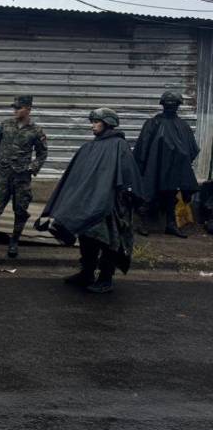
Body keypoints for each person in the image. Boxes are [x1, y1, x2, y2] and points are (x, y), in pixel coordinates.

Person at [36, 108, 144, 294]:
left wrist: (124, 199)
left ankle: (105, 277)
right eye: (92, 121)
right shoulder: (89, 147)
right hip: (87, 203)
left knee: (108, 240)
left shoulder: (119, 146)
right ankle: (86, 273)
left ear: (107, 123)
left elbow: (127, 176)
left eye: (96, 122)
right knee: (87, 237)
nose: (92, 125)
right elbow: (76, 177)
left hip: (109, 205)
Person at [0, 95, 48, 258]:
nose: (15, 110)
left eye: (19, 108)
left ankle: (14, 242)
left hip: (22, 177)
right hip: (2, 175)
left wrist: (32, 168)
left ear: (28, 109)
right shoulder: (4, 125)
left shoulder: (36, 130)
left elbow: (42, 153)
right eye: (14, 107)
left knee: (20, 210)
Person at [133, 91, 199, 238]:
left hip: (174, 170)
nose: (171, 106)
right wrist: (141, 167)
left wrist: (182, 164)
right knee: (149, 194)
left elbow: (191, 149)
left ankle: (171, 224)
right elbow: (142, 147)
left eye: (174, 104)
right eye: (168, 104)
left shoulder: (183, 126)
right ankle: (142, 223)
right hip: (154, 168)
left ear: (178, 106)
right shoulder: (153, 123)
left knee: (170, 197)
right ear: (163, 105)